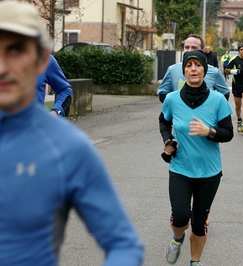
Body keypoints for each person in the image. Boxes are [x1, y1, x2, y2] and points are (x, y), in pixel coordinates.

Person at [0, 1, 144, 265]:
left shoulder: (67, 147)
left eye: (16, 50)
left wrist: (56, 111)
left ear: (42, 59)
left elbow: (123, 245)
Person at [159, 50, 233, 266]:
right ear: (184, 71)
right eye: (189, 65)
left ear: (204, 69)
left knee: (199, 223)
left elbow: (228, 133)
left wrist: (209, 132)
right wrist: (167, 140)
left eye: (198, 65)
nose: (193, 69)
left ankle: (195, 262)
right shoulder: (172, 99)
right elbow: (164, 122)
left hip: (209, 172)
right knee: (181, 216)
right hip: (180, 168)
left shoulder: (217, 100)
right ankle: (177, 238)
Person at [158, 34, 230, 103]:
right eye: (187, 47)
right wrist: (175, 108)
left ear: (203, 51)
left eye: (194, 48)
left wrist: (211, 110)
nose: (189, 50)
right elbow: (162, 93)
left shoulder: (214, 72)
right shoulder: (172, 70)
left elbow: (225, 93)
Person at [225, 43, 243, 133]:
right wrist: (235, 71)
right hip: (236, 84)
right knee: (238, 106)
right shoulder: (234, 59)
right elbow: (226, 70)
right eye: (241, 50)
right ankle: (239, 120)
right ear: (239, 51)